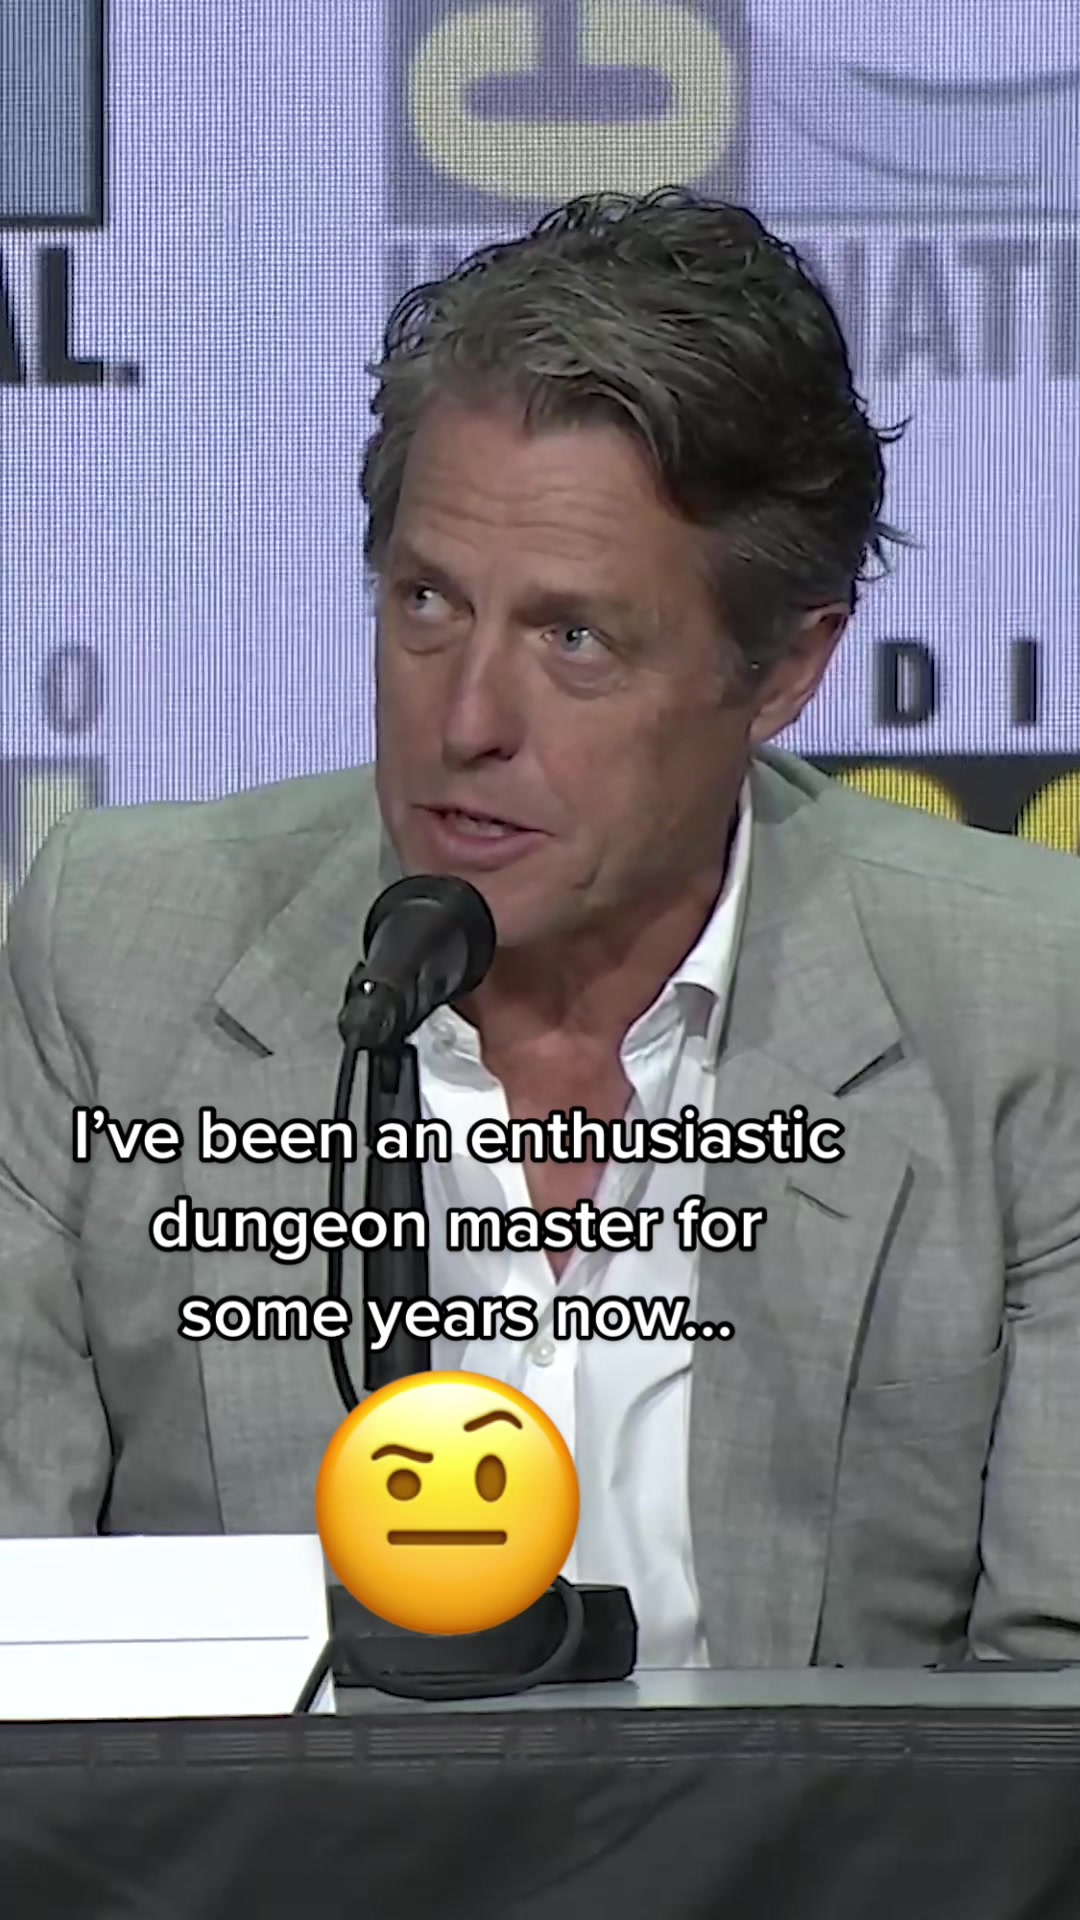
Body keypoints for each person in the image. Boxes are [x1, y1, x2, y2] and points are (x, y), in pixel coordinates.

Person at [2, 188, 1080, 1669]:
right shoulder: (116, 951)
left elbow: (1054, 1700)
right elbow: (21, 1634)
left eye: (575, 638)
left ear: (785, 667)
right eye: (427, 603)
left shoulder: (1027, 1000)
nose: (465, 722)